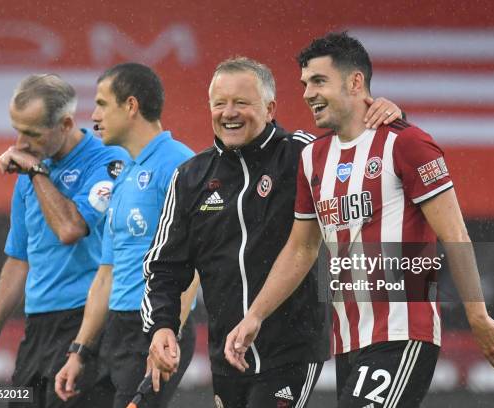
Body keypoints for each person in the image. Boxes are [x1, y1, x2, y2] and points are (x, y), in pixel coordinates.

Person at [225, 32, 494, 408]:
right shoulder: (312, 158)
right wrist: (255, 315)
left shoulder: (407, 143)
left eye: (319, 81)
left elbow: (455, 233)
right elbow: (302, 248)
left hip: (402, 332)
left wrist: (478, 316)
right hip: (348, 341)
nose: (307, 93)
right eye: (304, 84)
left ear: (355, 82)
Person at [142, 57, 402, 408]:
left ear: (270, 108)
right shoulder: (190, 177)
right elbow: (165, 268)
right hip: (227, 356)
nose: (228, 113)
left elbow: (373, 164)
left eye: (241, 103)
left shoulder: (304, 154)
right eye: (219, 103)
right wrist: (161, 326)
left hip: (291, 350)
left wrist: (391, 122)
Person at [0, 74, 128, 407]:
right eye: (17, 130)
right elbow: (18, 258)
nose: (20, 143)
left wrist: (37, 173)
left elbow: (70, 229)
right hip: (37, 328)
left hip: (85, 323)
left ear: (66, 123)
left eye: (32, 133)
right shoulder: (30, 171)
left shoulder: (107, 162)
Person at [53, 63, 198, 408]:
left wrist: (168, 335)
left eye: (102, 103)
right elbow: (107, 274)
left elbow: (194, 265)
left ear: (131, 106)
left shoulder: (181, 164)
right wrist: (79, 350)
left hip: (153, 329)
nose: (95, 115)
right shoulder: (125, 172)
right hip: (117, 332)